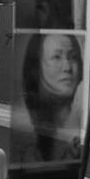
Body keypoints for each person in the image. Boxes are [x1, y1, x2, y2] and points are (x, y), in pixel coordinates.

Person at [22, 33, 83, 161]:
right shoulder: (27, 130)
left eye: (73, 57)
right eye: (56, 57)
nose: (67, 67)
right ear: (38, 67)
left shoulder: (83, 106)